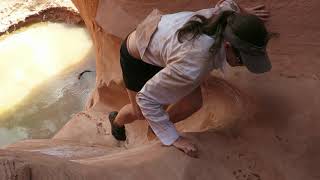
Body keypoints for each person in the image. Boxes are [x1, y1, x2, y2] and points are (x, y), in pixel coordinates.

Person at [108, 0, 272, 158]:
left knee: (193, 102)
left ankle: (154, 130)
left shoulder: (227, 18)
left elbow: (228, 3)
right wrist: (173, 138)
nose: (243, 65)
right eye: (242, 60)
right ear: (227, 46)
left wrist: (245, 20)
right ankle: (116, 122)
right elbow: (146, 99)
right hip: (137, 57)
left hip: (168, 46)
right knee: (140, 112)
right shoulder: (194, 63)